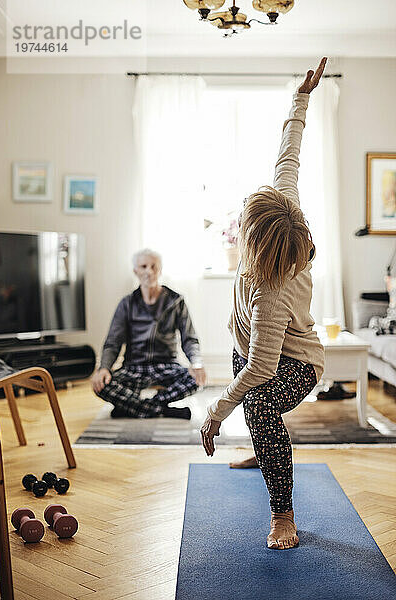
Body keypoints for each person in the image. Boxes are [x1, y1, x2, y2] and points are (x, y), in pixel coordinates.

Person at [200, 58, 327, 550]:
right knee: (256, 410)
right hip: (254, 348)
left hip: (295, 361)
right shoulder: (284, 202)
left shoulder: (272, 293)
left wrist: (216, 410)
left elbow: (260, 367)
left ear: (259, 250)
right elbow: (288, 156)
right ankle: (264, 444)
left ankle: (283, 515)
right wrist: (301, 98)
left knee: (259, 403)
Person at [92, 248, 207, 419]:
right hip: (134, 367)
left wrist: (196, 363)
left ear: (160, 270)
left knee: (197, 380)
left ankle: (132, 408)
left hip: (167, 366)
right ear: (135, 271)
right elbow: (113, 342)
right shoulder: (127, 303)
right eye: (144, 266)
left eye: (154, 266)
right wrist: (104, 368)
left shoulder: (176, 301)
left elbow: (189, 339)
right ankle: (164, 411)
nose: (149, 271)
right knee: (102, 384)